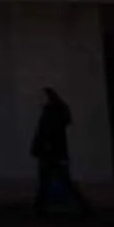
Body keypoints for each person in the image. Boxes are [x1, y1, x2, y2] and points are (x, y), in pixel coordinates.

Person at [31, 86, 90, 216]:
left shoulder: (50, 114)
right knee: (52, 181)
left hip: (50, 154)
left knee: (52, 181)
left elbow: (46, 134)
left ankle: (39, 208)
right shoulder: (55, 113)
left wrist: (41, 148)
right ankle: (39, 207)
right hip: (53, 153)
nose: (39, 100)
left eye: (42, 97)